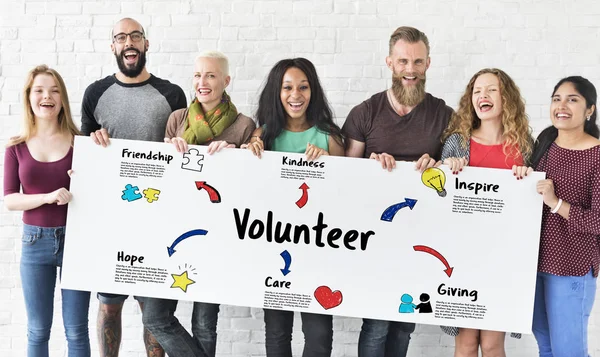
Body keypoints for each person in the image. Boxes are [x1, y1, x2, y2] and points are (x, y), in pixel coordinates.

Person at [342, 26, 453, 357]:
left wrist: (440, 163)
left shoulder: (443, 115)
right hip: (376, 237)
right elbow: (346, 177)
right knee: (376, 323)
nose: (410, 70)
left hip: (422, 236)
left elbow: (458, 167)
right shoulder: (365, 113)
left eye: (418, 62)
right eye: (403, 61)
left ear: (428, 64)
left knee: (405, 323)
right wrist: (370, 163)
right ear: (390, 62)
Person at [80, 17, 187, 357]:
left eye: (136, 36)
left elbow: (184, 154)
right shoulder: (95, 93)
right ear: (112, 46)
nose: (129, 42)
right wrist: (93, 140)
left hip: (158, 220)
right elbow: (86, 159)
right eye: (121, 37)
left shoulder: (172, 94)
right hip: (111, 221)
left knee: (152, 314)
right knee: (109, 306)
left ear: (146, 43)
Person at [141, 50, 256, 357]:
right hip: (174, 229)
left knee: (204, 323)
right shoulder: (177, 119)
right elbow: (161, 179)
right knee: (154, 317)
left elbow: (253, 184)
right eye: (197, 75)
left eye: (211, 75)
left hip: (217, 234)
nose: (202, 82)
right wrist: (169, 151)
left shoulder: (245, 124)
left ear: (226, 80)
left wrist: (237, 154)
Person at [244, 57, 344, 357]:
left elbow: (347, 193)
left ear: (313, 92)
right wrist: (249, 156)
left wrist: (329, 164)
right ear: (277, 92)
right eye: (287, 87)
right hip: (275, 250)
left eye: (303, 87)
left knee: (319, 337)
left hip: (318, 250)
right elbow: (250, 191)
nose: (295, 95)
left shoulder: (329, 137)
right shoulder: (263, 136)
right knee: (276, 334)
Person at [439, 68, 533, 357]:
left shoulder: (524, 146)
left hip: (504, 259)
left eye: (491, 89)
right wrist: (447, 171)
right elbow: (438, 199)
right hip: (463, 257)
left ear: (506, 98)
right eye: (477, 91)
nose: (483, 96)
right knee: (466, 344)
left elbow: (534, 200)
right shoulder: (457, 143)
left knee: (493, 345)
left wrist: (527, 176)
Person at [3, 65, 90, 356]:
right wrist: (48, 197)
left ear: (63, 99)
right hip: (34, 243)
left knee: (76, 331)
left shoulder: (83, 144)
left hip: (77, 242)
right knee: (38, 330)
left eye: (54, 91)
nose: (47, 96)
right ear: (29, 97)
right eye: (39, 90)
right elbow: (10, 199)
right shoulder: (16, 147)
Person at [515, 76, 599, 357]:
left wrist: (556, 203)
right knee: (547, 347)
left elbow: (597, 221)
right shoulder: (545, 143)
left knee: (569, 352)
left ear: (590, 110)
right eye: (557, 98)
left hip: (571, 268)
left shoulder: (597, 155)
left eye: (572, 99)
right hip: (533, 264)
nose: (562, 106)